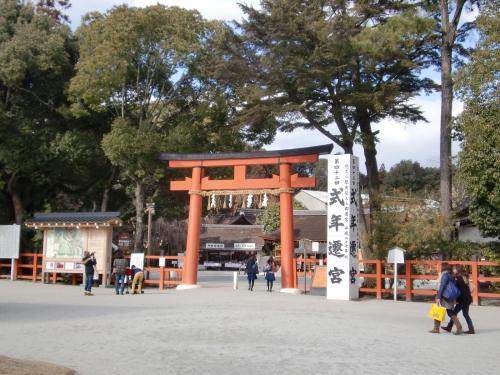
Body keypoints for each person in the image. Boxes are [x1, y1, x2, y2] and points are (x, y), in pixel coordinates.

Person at [430, 263, 462, 334]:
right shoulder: (452, 275)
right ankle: (459, 327)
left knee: (438, 310)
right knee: (450, 312)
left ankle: (436, 328)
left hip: (444, 296)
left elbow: (442, 287)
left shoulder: (444, 275)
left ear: (443, 268)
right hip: (450, 296)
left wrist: (438, 297)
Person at [442, 265, 475, 334]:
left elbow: (455, 289)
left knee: (453, 313)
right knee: (465, 314)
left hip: (462, 300)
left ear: (457, 270)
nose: (453, 270)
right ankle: (471, 329)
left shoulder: (458, 278)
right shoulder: (465, 277)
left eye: (454, 269)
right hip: (468, 299)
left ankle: (452, 327)